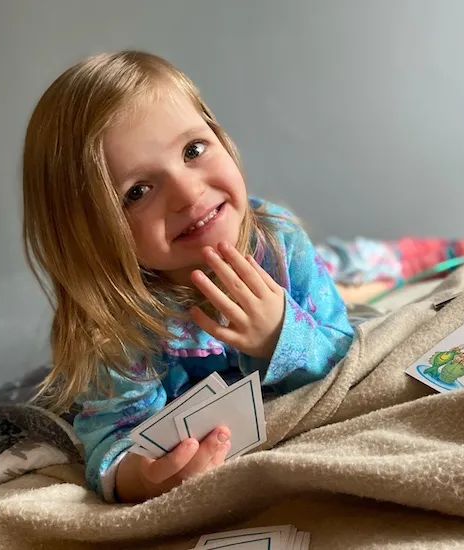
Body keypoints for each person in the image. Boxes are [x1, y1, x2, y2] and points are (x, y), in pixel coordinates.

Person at [21, 51, 354, 503]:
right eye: (137, 192)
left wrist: (280, 335)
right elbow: (112, 441)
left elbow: (343, 350)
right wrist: (143, 477)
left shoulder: (278, 241)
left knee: (354, 262)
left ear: (219, 135)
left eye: (193, 150)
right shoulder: (112, 324)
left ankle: (424, 253)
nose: (188, 192)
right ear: (89, 235)